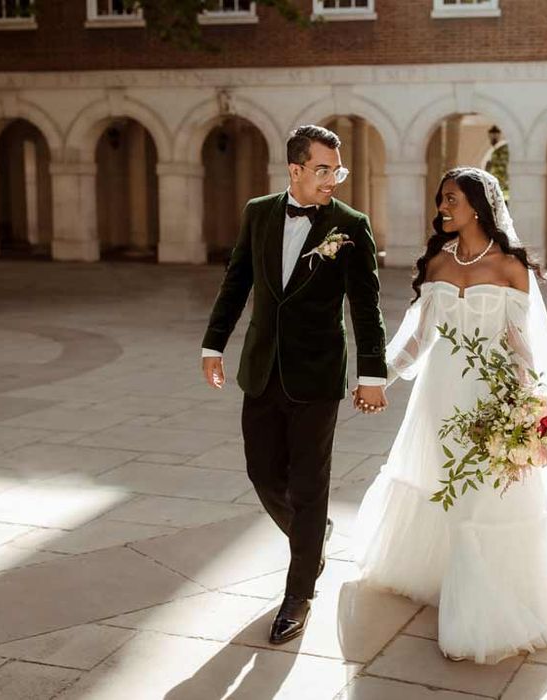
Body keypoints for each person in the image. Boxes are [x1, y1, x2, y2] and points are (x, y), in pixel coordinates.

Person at [353, 167, 547, 664]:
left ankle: (482, 610)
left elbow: (522, 347)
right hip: (439, 397)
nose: (443, 207)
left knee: (486, 502)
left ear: (479, 206)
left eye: (451, 199)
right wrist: (380, 378)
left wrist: (531, 406)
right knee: (441, 483)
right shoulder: (437, 263)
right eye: (441, 198)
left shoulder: (511, 266)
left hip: (493, 399)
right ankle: (442, 575)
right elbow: (419, 338)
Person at [201, 125, 388, 645]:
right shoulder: (259, 212)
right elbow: (237, 280)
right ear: (296, 170)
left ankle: (298, 592)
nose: (333, 179)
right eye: (323, 169)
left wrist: (371, 374)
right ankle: (313, 538)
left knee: (309, 486)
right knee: (261, 472)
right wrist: (212, 345)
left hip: (317, 376)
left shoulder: (350, 225)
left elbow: (366, 306)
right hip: (261, 369)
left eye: (338, 169)